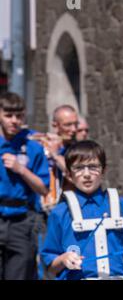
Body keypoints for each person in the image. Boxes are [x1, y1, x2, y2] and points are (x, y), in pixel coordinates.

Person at [40, 140, 123, 280]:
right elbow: (50, 264)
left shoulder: (122, 206)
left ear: (104, 170)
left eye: (93, 167)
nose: (86, 174)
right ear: (68, 174)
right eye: (78, 168)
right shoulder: (60, 212)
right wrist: (63, 259)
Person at [0, 92, 50, 280]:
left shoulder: (33, 147)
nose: (14, 121)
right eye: (8, 115)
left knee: (19, 274)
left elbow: (43, 189)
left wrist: (21, 169)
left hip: (22, 221)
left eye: (19, 116)